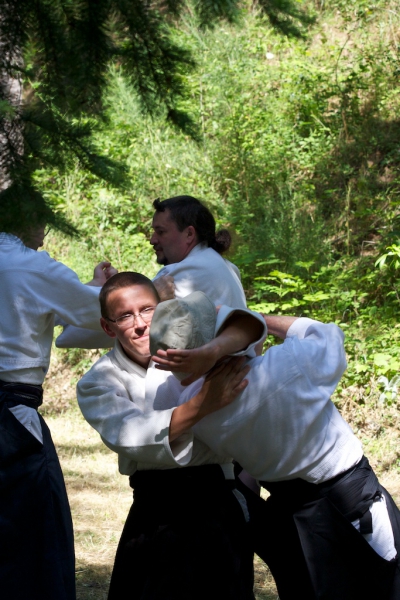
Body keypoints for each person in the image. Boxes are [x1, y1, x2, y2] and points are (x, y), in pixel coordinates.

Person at [150, 295, 400, 600]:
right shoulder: (287, 367)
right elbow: (326, 333)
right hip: (351, 504)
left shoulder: (189, 407)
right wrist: (257, 321)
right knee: (384, 587)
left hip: (289, 519)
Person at [76, 272, 266, 600]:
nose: (140, 324)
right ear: (108, 327)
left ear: (163, 307)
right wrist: (204, 402)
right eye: (125, 316)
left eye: (148, 310)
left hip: (217, 500)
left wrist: (214, 349)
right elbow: (133, 435)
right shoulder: (99, 381)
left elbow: (251, 325)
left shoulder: (195, 340)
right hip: (156, 510)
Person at [0, 225, 117, 600]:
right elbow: (97, 312)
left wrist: (92, 288)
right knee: (33, 539)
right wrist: (110, 290)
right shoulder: (32, 265)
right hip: (10, 419)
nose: (45, 231)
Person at [55, 194, 247, 349]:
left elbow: (123, 327)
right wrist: (113, 290)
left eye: (161, 232)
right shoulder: (228, 267)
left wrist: (141, 295)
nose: (152, 240)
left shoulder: (182, 271)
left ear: (189, 234)